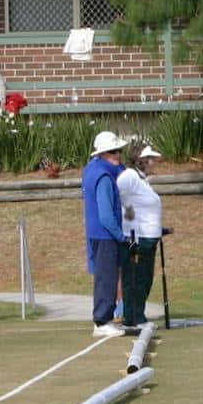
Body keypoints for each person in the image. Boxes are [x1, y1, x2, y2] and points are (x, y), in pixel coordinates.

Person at [82, 130, 129, 337]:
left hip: (100, 234)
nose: (117, 155)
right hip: (105, 235)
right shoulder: (103, 175)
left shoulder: (94, 169)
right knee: (107, 278)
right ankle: (102, 321)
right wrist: (120, 236)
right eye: (112, 152)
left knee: (107, 276)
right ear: (101, 154)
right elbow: (106, 214)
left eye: (118, 151)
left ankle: (105, 319)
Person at [116, 140, 164, 329]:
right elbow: (119, 192)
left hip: (148, 238)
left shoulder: (143, 180)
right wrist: (128, 209)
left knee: (145, 279)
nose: (155, 162)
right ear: (142, 160)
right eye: (151, 159)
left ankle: (138, 315)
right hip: (136, 238)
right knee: (135, 278)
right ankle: (133, 317)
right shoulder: (129, 176)